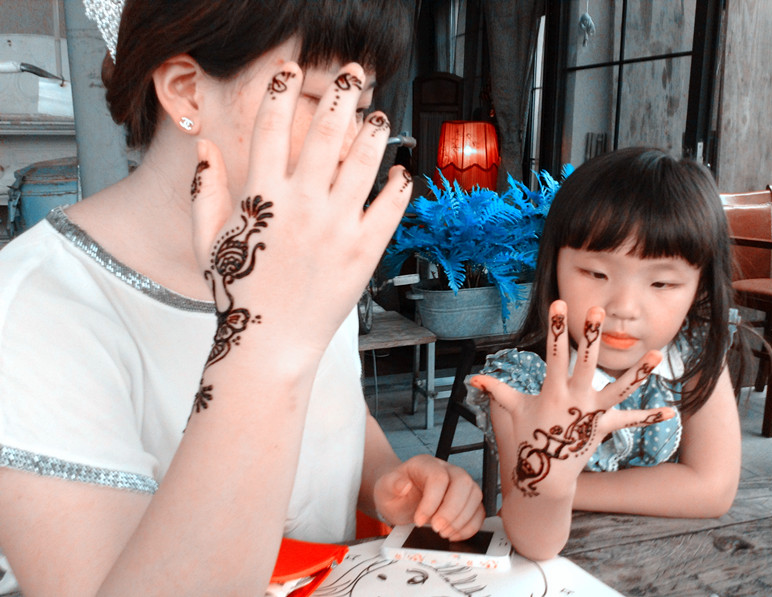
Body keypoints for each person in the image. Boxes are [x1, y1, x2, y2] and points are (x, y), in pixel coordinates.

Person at [0, 1, 485, 595]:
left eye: (361, 108)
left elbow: (332, 407)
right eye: (319, 98)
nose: (351, 141)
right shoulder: (34, 310)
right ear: (186, 91)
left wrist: (386, 478)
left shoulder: (299, 249)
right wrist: (262, 343)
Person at [469, 147, 743, 561]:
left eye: (662, 283)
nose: (624, 308)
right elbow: (534, 541)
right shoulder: (521, 385)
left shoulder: (693, 351)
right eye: (596, 273)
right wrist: (548, 488)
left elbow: (713, 489)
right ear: (554, 267)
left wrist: (564, 485)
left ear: (699, 287)